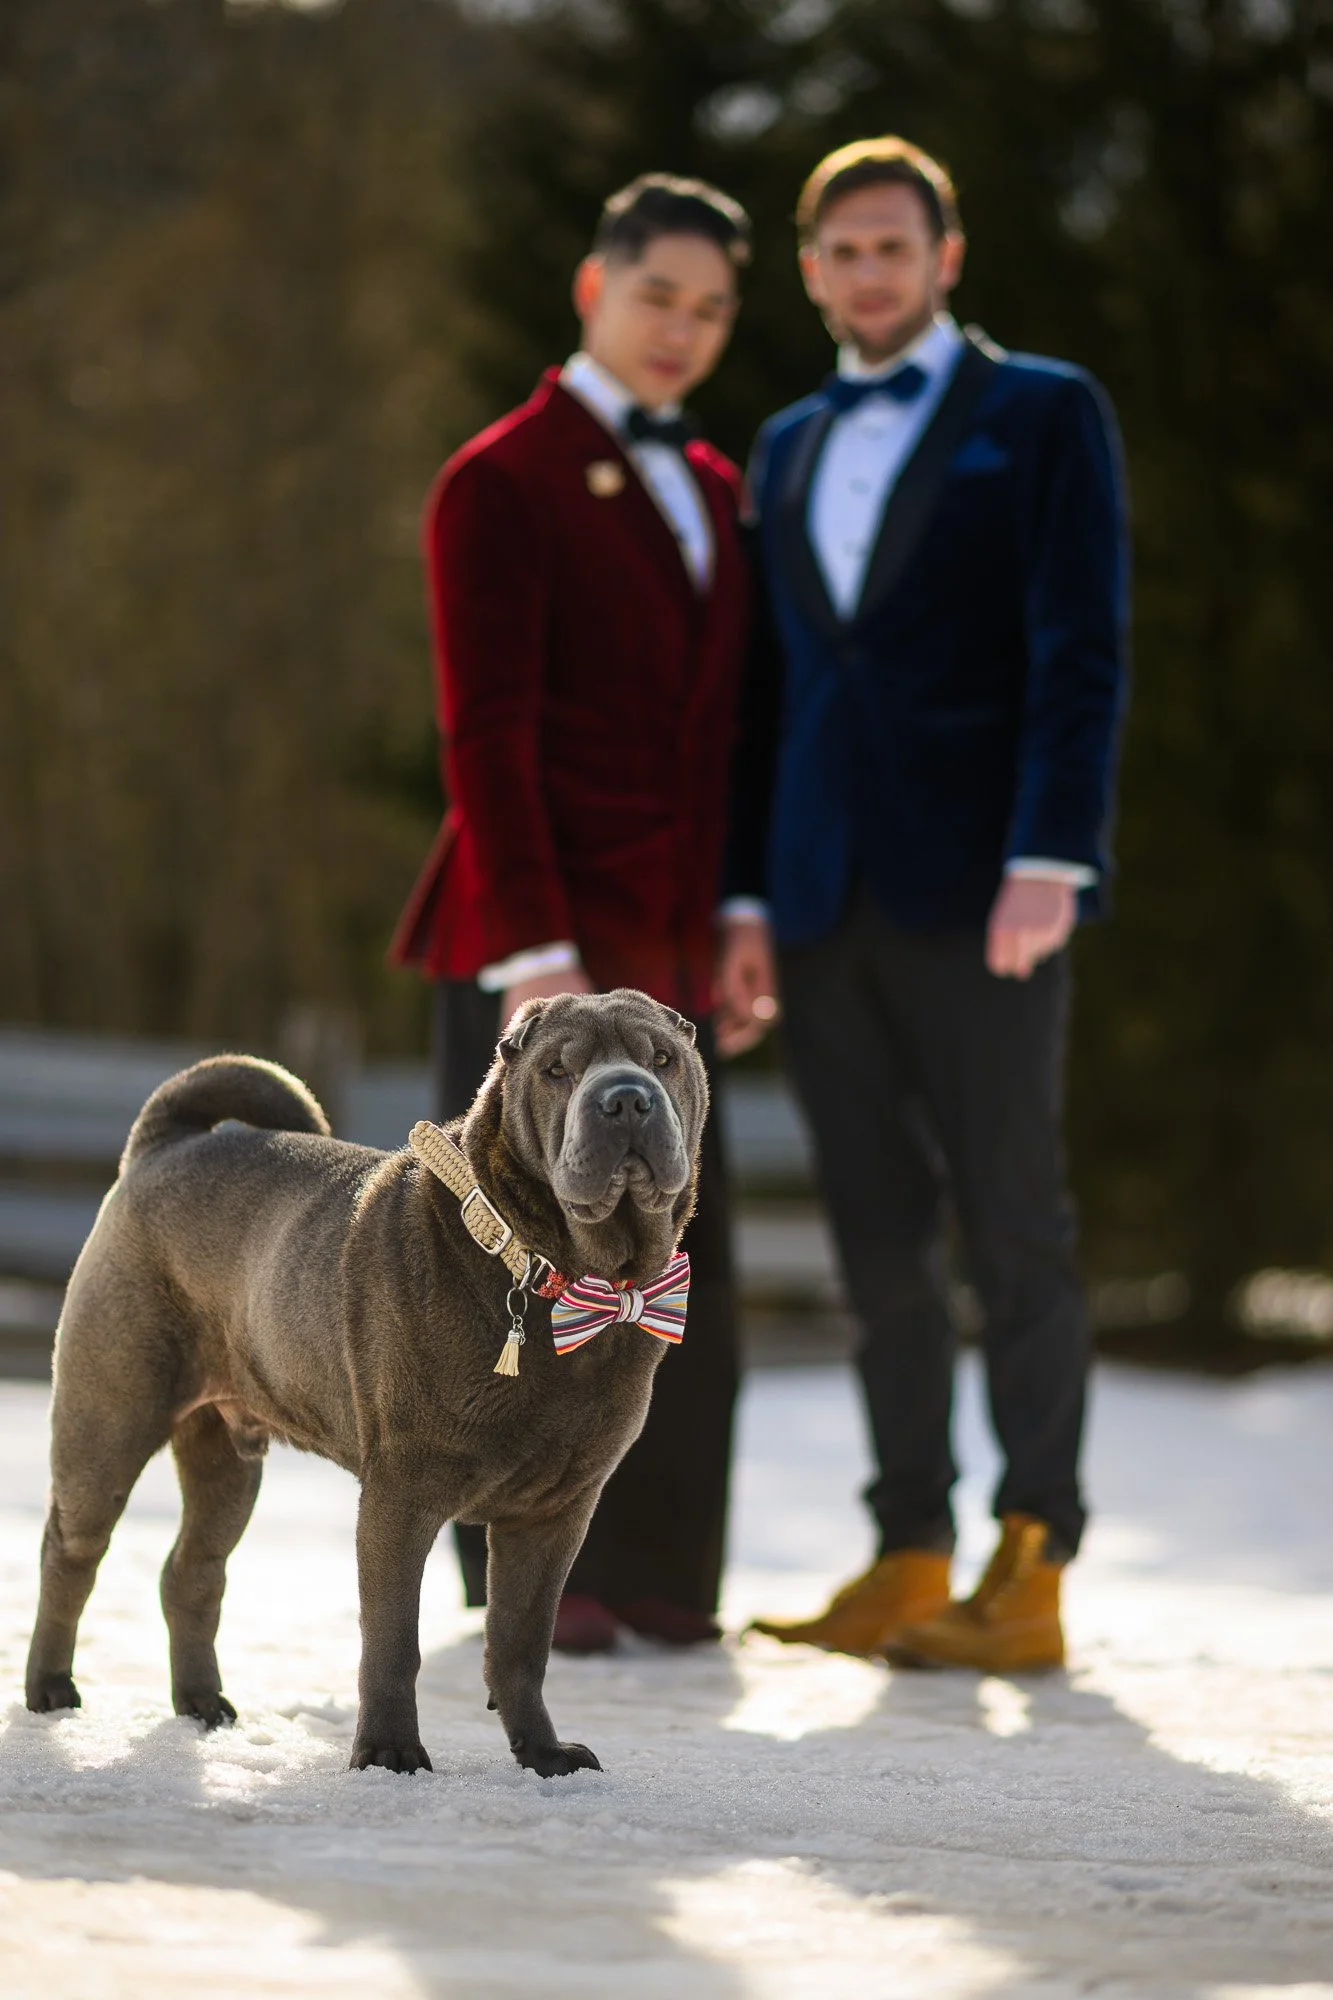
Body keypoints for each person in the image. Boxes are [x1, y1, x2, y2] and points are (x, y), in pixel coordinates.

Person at [729, 136, 1129, 1670]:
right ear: (811, 270)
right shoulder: (783, 445)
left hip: (985, 894)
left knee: (1014, 1219)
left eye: (894, 245)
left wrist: (1052, 854)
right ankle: (908, 1550)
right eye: (841, 250)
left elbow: (1080, 645)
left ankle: (1034, 1561)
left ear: (946, 258)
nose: (869, 271)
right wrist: (748, 896)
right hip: (819, 903)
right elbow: (770, 694)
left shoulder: (1043, 412)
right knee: (876, 1241)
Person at [391, 174, 775, 1655]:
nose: (682, 328)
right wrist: (536, 950)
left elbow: (731, 735)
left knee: (677, 1248)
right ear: (593, 288)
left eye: (712, 307)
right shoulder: (497, 478)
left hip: (672, 941)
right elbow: (484, 732)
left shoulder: (719, 488)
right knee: (505, 1252)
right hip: (533, 929)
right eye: (656, 294)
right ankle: (529, 1584)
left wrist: (739, 909)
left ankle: (666, 1571)